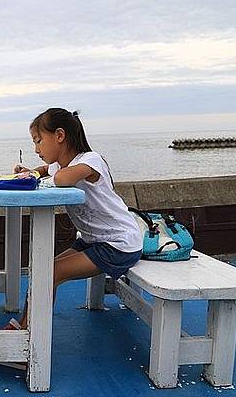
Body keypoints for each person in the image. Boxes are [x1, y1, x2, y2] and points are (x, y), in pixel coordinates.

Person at [8, 108, 143, 330]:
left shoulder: (91, 160)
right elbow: (45, 169)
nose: (36, 149)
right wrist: (31, 172)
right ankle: (25, 330)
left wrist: (47, 173)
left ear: (59, 136)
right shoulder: (57, 166)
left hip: (118, 244)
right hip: (93, 240)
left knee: (50, 272)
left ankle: (26, 337)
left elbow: (61, 179)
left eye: (39, 141)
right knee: (43, 268)